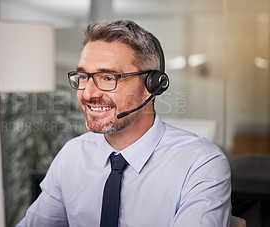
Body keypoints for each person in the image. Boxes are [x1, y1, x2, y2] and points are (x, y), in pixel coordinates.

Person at [17, 20, 231, 227]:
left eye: (109, 78)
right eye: (83, 76)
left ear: (152, 86)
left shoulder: (201, 164)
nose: (89, 93)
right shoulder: (73, 155)